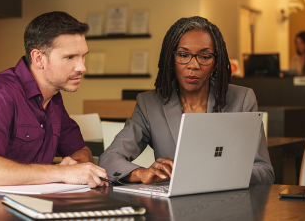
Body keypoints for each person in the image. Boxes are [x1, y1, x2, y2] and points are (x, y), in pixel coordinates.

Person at [0, 11, 108, 194]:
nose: (82, 67)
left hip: (23, 206)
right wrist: (61, 172)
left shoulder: (53, 99)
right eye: (70, 57)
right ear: (39, 58)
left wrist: (77, 167)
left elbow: (80, 150)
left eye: (83, 55)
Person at [98, 16, 274, 184]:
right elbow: (109, 158)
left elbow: (264, 171)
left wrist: (222, 174)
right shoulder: (149, 104)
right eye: (183, 55)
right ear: (171, 59)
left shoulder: (242, 100)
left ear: (215, 62)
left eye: (204, 56)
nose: (193, 65)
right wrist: (141, 173)